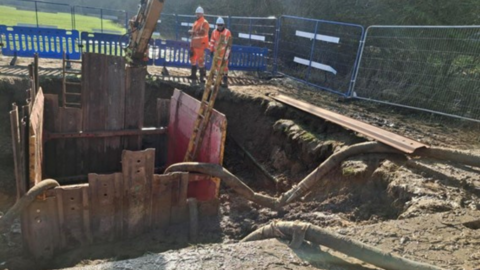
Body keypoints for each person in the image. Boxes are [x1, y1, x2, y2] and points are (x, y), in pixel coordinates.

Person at [188, 6, 210, 83]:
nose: (197, 15)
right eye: (197, 14)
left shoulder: (205, 23)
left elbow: (203, 33)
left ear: (202, 14)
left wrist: (192, 32)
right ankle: (193, 75)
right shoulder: (196, 22)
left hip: (200, 45)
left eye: (199, 14)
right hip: (194, 45)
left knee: (200, 61)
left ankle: (201, 78)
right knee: (192, 59)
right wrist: (191, 45)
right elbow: (193, 35)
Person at [209, 17, 232, 87]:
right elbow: (212, 42)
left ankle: (225, 82)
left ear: (223, 25)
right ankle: (218, 81)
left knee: (224, 68)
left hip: (224, 53)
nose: (219, 26)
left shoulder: (227, 32)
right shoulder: (214, 32)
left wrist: (228, 53)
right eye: (218, 25)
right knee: (216, 67)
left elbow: (229, 44)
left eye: (221, 25)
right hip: (216, 53)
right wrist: (211, 50)